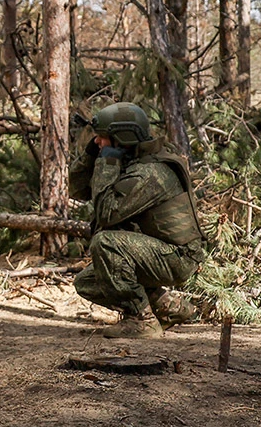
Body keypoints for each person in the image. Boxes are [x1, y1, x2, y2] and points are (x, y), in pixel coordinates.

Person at [69, 102, 204, 339]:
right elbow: (78, 190)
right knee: (88, 281)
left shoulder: (150, 173)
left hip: (177, 256)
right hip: (158, 250)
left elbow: (106, 214)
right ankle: (169, 308)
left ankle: (141, 321)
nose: (97, 142)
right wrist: (93, 154)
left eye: (101, 138)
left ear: (122, 139)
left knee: (105, 242)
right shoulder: (134, 159)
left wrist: (107, 162)